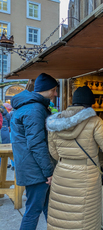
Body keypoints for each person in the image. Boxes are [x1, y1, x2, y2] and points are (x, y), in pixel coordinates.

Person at [46, 86, 103, 230]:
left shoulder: (55, 122)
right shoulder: (95, 121)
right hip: (86, 175)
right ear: (90, 104)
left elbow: (53, 153)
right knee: (84, 219)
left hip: (62, 172)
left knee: (61, 215)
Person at [11, 73, 58, 230]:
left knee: (46, 209)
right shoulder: (35, 109)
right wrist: (48, 172)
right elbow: (37, 144)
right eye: (54, 90)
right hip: (36, 171)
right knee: (33, 212)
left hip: (31, 168)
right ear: (47, 90)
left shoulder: (29, 106)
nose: (56, 94)